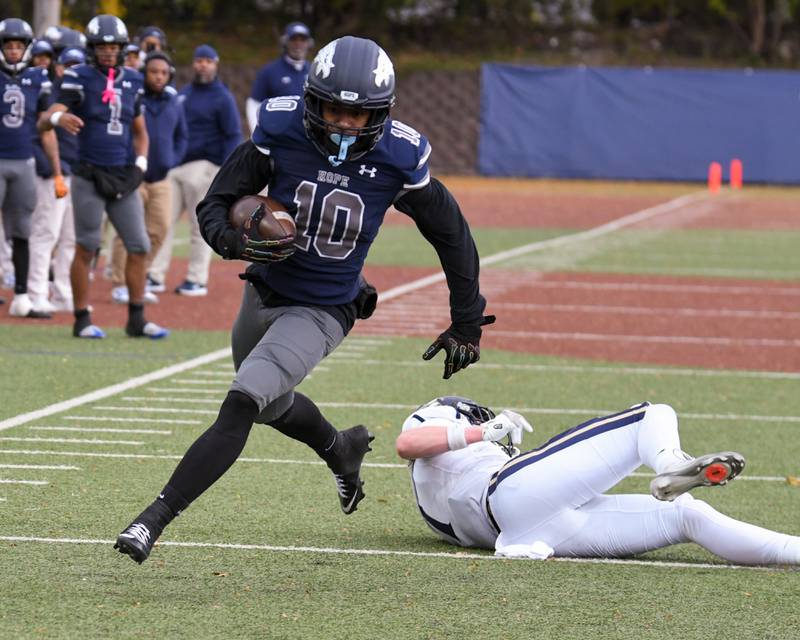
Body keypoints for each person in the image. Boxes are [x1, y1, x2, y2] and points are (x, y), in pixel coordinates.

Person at [114, 36, 494, 564]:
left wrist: (466, 321)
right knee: (271, 406)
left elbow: (451, 233)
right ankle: (341, 448)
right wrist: (234, 241)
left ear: (380, 115)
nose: (342, 124)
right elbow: (216, 203)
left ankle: (151, 519)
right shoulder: (283, 130)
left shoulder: (397, 156)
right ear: (313, 101)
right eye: (334, 109)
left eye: (357, 115)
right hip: (264, 289)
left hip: (323, 309)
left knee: (243, 402)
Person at [395, 396, 800, 565]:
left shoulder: (433, 494)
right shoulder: (445, 427)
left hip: (530, 532)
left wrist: (487, 442)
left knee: (685, 515)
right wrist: (480, 432)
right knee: (651, 415)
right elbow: (407, 442)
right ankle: (671, 462)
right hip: (508, 494)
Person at [38, 14, 168, 339]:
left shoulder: (134, 80)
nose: (108, 52)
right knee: (87, 247)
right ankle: (81, 318)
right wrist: (59, 118)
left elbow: (141, 132)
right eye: (102, 47)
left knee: (137, 245)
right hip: (88, 174)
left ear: (123, 48)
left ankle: (136, 318)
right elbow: (44, 118)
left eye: (113, 47)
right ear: (91, 48)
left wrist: (140, 164)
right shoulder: (78, 77)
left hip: (122, 175)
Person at [147, 44, 241, 297]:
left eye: (208, 61)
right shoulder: (184, 93)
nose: (203, 65)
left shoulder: (223, 96)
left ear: (216, 64)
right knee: (162, 223)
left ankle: (196, 279)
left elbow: (233, 135)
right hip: (176, 166)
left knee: (199, 226)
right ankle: (154, 274)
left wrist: (223, 171)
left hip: (204, 166)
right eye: (199, 60)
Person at [108, 52, 187, 304]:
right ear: (144, 73)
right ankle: (120, 283)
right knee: (127, 231)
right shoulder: (133, 97)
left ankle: (138, 278)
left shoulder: (174, 102)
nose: (159, 77)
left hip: (161, 178)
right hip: (134, 177)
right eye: (154, 72)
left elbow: (182, 136)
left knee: (161, 228)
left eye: (164, 73)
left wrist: (172, 159)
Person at [0, 18, 61, 318]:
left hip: (24, 161)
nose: (13, 51)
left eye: (18, 45)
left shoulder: (39, 78)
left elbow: (47, 127)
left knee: (23, 230)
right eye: (8, 45)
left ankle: (21, 295)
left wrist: (58, 169)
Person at [27, 47, 83, 314]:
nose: (72, 69)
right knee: (46, 232)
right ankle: (36, 292)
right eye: (68, 65)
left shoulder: (86, 94)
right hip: (53, 174)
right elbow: (37, 135)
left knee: (72, 237)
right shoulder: (48, 94)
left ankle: (63, 291)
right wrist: (53, 170)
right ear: (59, 68)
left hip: (80, 174)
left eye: (78, 64)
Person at [246, 21, 312, 132]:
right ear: (285, 42)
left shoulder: (315, 72)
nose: (298, 44)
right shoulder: (269, 71)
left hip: (308, 137)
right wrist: (257, 132)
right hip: (277, 137)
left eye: (302, 40)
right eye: (294, 39)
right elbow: (254, 103)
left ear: (309, 43)